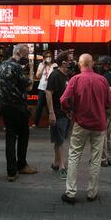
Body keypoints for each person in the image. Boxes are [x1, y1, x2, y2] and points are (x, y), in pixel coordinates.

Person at [60, 54, 111, 204]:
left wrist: (68, 111)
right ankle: (92, 192)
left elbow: (64, 99)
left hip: (80, 123)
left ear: (80, 64)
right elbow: (109, 103)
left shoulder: (75, 79)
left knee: (74, 156)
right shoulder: (102, 80)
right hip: (99, 124)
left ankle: (70, 192)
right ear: (93, 63)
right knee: (96, 159)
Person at [0, 44, 37, 182]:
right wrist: (31, 69)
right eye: (26, 55)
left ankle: (11, 171)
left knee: (10, 137)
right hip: (18, 107)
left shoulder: (3, 64)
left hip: (5, 106)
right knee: (23, 135)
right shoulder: (16, 67)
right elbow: (30, 86)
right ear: (19, 53)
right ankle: (21, 165)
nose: (26, 58)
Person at [45, 50, 72, 180]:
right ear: (63, 62)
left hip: (66, 113)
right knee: (60, 140)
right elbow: (48, 92)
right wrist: (51, 113)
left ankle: (55, 163)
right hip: (58, 112)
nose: (72, 62)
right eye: (70, 60)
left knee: (59, 139)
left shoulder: (66, 75)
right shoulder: (55, 75)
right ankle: (62, 166)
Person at [94, 55, 111, 167]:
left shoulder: (106, 77)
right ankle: (108, 157)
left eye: (100, 64)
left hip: (105, 110)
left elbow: (105, 96)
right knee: (108, 135)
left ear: (106, 65)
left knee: (102, 135)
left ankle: (103, 159)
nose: (98, 66)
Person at [32, 50, 56, 128]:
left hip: (51, 88)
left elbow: (56, 76)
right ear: (44, 58)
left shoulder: (54, 65)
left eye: (49, 56)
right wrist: (43, 66)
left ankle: (51, 124)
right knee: (39, 106)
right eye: (46, 57)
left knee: (50, 106)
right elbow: (38, 76)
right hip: (42, 87)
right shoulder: (41, 65)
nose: (48, 58)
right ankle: (36, 123)